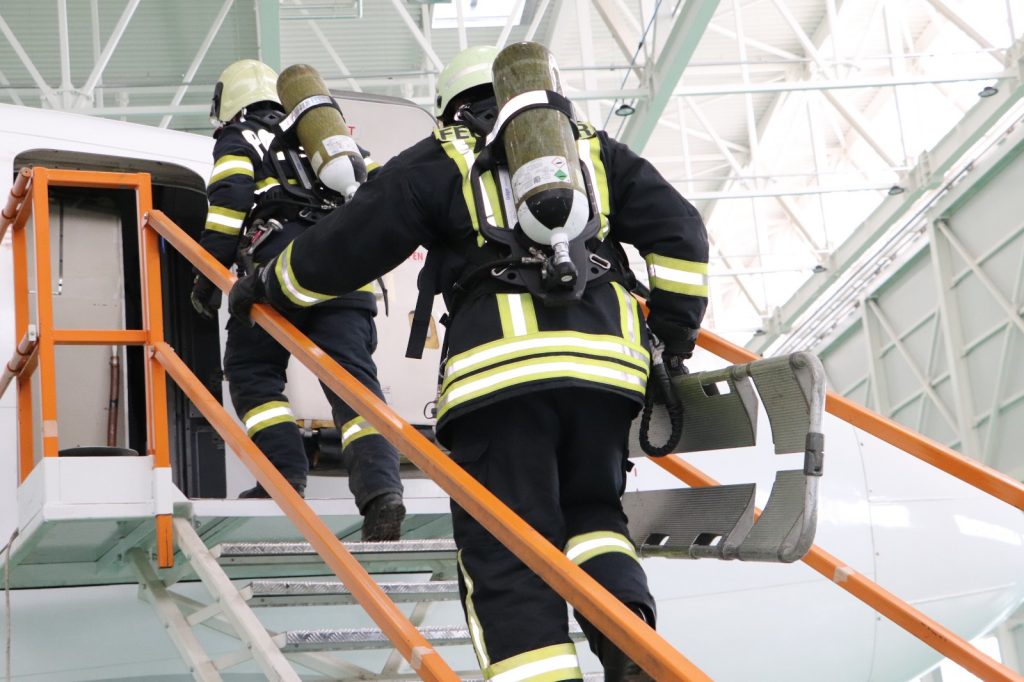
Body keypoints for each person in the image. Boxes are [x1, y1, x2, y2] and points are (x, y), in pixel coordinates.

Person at [229, 44, 709, 681]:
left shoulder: (446, 156)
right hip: (606, 376)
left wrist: (269, 283)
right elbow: (682, 236)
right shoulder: (593, 149)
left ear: (449, 105)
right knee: (594, 517)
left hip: (496, 382)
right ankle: (632, 649)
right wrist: (672, 341)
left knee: (506, 549)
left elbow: (347, 245)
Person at [191, 59, 405, 541]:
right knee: (353, 385)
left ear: (227, 103)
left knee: (252, 372)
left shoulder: (240, 137)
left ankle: (283, 478)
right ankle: (381, 493)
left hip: (275, 278)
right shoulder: (328, 139)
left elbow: (229, 205)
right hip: (345, 274)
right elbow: (377, 195)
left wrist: (206, 276)